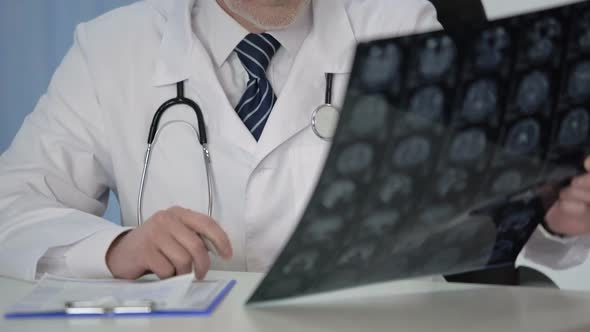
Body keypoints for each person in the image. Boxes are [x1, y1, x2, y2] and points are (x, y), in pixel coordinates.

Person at [0, 0, 589, 288]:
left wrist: (553, 216)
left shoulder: (401, 21)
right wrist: (115, 248)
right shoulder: (110, 48)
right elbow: (11, 206)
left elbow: (489, 205)